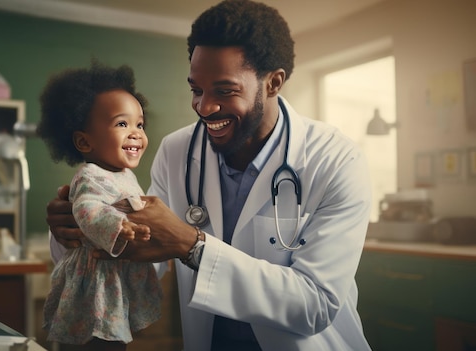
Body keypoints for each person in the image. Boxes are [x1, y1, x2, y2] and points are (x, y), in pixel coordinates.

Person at [46, 0, 373, 350]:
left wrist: (192, 246)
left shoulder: (337, 160)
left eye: (224, 91)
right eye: (196, 90)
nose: (204, 107)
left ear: (273, 83)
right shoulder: (177, 151)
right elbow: (145, 255)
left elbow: (315, 305)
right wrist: (79, 233)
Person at [37, 60, 162, 351]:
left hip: (115, 280)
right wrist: (120, 226)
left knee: (114, 341)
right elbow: (88, 210)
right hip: (94, 287)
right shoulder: (89, 175)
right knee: (93, 341)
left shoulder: (125, 175)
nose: (136, 133)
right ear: (84, 141)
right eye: (122, 123)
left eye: (139, 124)